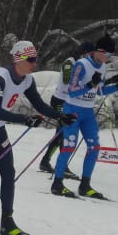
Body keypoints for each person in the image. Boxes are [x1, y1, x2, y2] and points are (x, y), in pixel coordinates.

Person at [0, 40, 76, 235]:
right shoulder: (0, 78)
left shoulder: (26, 80)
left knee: (9, 173)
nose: (35, 63)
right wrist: (25, 119)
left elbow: (40, 105)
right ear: (19, 59)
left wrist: (60, 116)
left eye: (36, 59)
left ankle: (7, 222)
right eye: (31, 59)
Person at [51, 35, 118, 199]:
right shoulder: (82, 65)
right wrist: (89, 84)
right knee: (68, 146)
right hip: (72, 109)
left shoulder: (102, 67)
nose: (108, 59)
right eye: (107, 55)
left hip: (87, 112)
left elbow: (99, 91)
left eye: (110, 56)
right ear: (98, 51)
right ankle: (57, 183)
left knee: (94, 147)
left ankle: (85, 185)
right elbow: (72, 90)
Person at [38, 43, 88, 179]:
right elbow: (67, 81)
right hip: (60, 102)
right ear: (82, 53)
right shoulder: (69, 63)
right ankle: (59, 164)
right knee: (64, 133)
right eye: (88, 55)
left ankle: (45, 161)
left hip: (70, 103)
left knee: (62, 134)